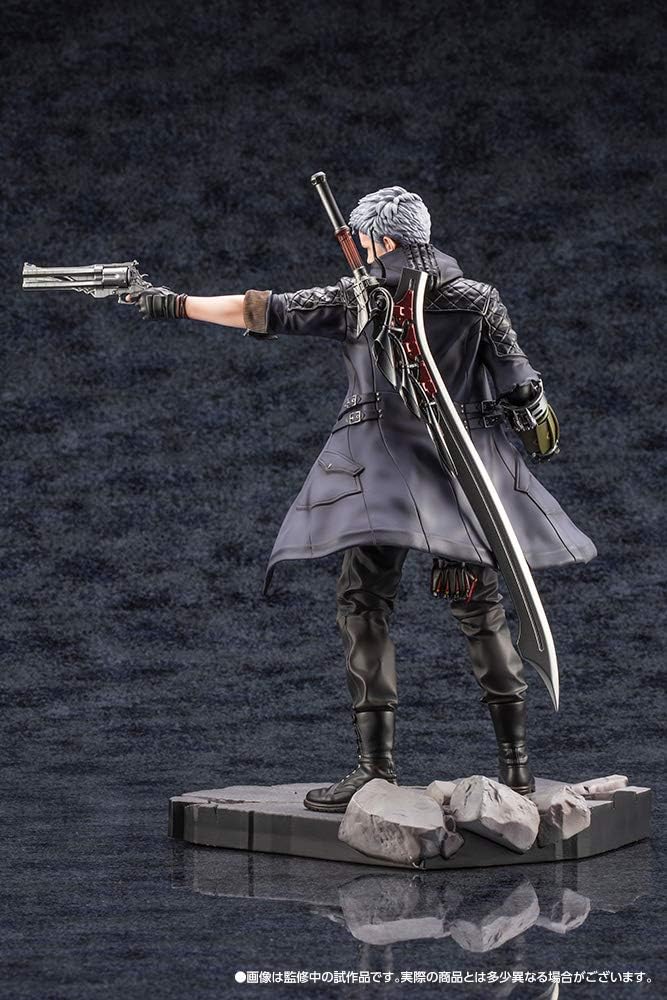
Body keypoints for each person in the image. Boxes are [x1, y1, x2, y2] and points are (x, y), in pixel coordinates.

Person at [127, 185, 597, 812]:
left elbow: (264, 310)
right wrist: (529, 416)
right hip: (465, 478)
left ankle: (375, 770)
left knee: (363, 605)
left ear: (383, 238)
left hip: (382, 479)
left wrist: (175, 303)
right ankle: (516, 771)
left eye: (367, 238)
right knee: (480, 610)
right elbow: (521, 386)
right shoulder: (477, 299)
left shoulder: (360, 298)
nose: (365, 248)